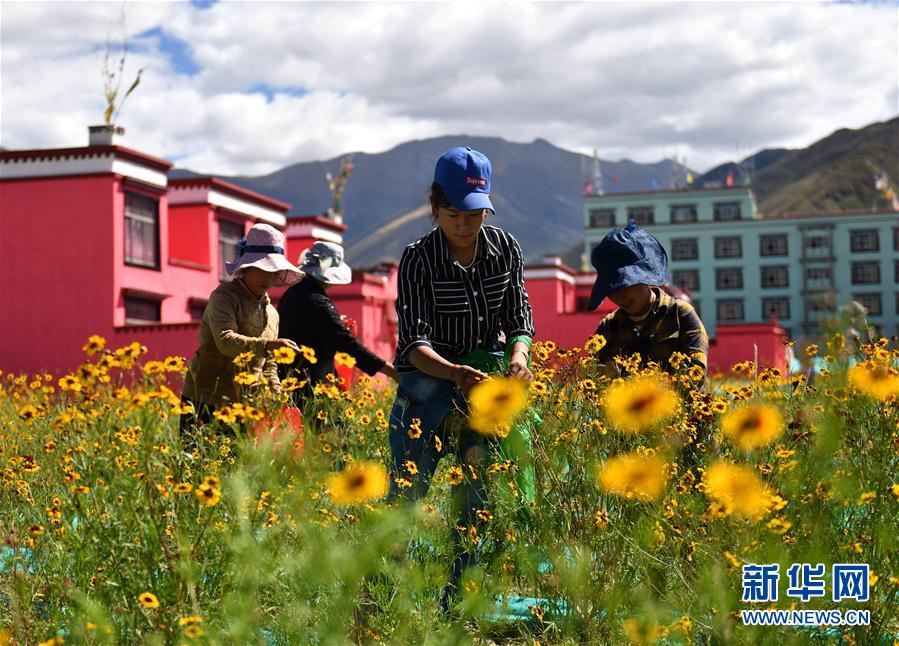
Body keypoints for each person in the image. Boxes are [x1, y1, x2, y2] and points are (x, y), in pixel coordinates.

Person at [387, 146, 535, 611]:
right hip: (430, 375)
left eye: (474, 214)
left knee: (477, 494)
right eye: (453, 214)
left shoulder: (505, 248)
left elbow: (519, 317)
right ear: (435, 206)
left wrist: (519, 355)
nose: (464, 225)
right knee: (407, 493)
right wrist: (452, 372)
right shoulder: (417, 259)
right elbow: (413, 341)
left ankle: (460, 601)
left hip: (483, 373)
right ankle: (383, 600)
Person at [180, 223, 303, 439]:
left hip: (245, 405)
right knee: (201, 464)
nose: (269, 277)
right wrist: (266, 345)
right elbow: (225, 340)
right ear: (246, 267)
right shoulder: (225, 296)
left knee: (236, 468)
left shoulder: (272, 314)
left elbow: (270, 363)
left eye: (274, 271)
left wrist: (275, 389)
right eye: (263, 268)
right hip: (206, 396)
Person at [587, 219, 709, 379]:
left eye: (626, 284)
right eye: (612, 289)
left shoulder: (681, 314)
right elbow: (595, 380)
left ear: (643, 277)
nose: (620, 296)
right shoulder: (608, 327)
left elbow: (696, 372)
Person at [277, 240, 399, 400]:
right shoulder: (317, 301)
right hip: (312, 385)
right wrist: (389, 370)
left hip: (289, 378)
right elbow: (347, 343)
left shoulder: (292, 293)